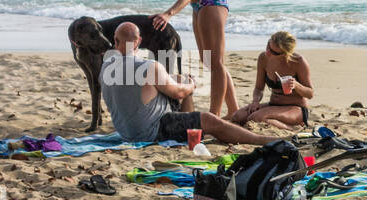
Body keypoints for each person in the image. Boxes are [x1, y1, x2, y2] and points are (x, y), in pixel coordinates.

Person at [100, 22, 269, 146]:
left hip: (126, 132)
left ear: (115, 41)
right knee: (209, 118)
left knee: (179, 81)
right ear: (138, 42)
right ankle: (262, 140)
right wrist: (191, 85)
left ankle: (190, 131)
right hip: (152, 131)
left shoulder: (107, 65)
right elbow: (179, 94)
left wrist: (178, 80)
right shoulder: (150, 67)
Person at [230, 31, 314, 129]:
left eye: (273, 52)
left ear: (285, 53)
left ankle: (293, 128)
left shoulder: (298, 62)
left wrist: (296, 85)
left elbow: (310, 93)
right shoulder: (263, 58)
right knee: (237, 116)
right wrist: (255, 101)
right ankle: (276, 122)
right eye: (268, 46)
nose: (267, 52)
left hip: (296, 108)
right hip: (274, 105)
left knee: (255, 118)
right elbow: (259, 88)